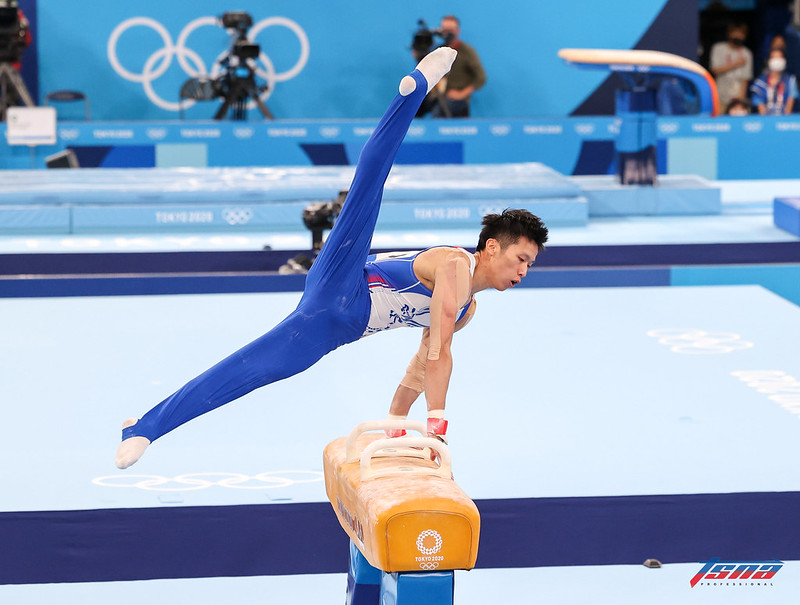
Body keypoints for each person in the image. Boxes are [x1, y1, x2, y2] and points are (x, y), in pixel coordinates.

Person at [115, 48, 549, 469]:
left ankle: (144, 427)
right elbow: (439, 355)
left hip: (336, 327)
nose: (524, 271)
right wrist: (436, 430)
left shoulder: (465, 311)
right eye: (521, 258)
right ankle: (415, 89)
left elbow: (420, 367)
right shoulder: (455, 264)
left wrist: (397, 426)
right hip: (344, 280)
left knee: (248, 372)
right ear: (491, 246)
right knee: (369, 186)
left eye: (530, 264)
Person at [415, 15, 486, 118]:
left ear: (458, 31)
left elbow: (481, 78)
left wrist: (462, 93)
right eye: (445, 30)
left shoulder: (467, 51)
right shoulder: (438, 50)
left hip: (456, 98)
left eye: (451, 30)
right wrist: (419, 53)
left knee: (439, 111)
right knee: (414, 105)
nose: (448, 34)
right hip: (436, 95)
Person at [710, 22, 753, 112]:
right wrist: (736, 64)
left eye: (741, 34)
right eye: (735, 33)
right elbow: (716, 70)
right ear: (729, 34)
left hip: (737, 98)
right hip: (720, 96)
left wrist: (740, 100)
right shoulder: (718, 48)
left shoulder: (746, 53)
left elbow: (745, 79)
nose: (738, 36)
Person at [750, 48, 798, 115]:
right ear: (768, 61)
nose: (777, 60)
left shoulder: (790, 80)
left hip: (785, 120)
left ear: (784, 60)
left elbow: (790, 105)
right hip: (766, 120)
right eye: (774, 57)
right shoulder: (760, 83)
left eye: (780, 57)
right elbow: (761, 109)